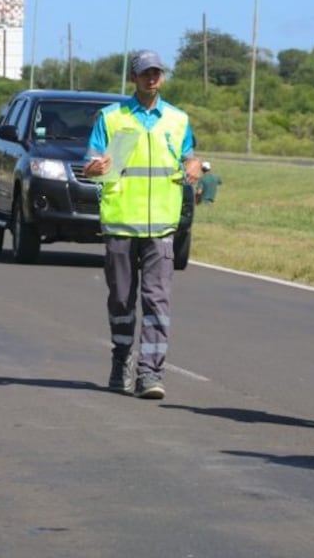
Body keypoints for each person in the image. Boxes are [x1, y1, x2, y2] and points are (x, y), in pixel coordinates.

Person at [83, 49, 202, 400]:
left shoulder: (178, 120)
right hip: (121, 223)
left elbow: (190, 158)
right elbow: (91, 161)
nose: (152, 78)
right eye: (145, 73)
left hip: (161, 228)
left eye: (157, 73)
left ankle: (151, 373)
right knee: (121, 300)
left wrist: (195, 165)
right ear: (133, 78)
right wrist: (92, 169)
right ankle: (122, 362)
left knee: (157, 301)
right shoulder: (111, 117)